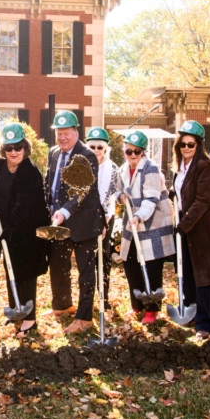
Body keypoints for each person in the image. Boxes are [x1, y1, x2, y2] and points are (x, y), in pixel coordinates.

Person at [43, 111, 106, 334]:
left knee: (86, 271)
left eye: (66, 134)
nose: (62, 138)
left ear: (76, 133)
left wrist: (63, 212)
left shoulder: (86, 156)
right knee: (58, 266)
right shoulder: (53, 153)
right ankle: (62, 305)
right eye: (59, 134)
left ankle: (84, 318)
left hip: (84, 223)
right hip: (58, 222)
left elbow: (81, 191)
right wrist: (48, 210)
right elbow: (49, 184)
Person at [170, 121, 210, 338]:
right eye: (183, 144)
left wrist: (182, 226)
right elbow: (181, 192)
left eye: (191, 145)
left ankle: (205, 323)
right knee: (187, 274)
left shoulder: (205, 166)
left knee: (203, 277)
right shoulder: (180, 167)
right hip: (186, 226)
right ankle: (190, 314)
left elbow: (203, 201)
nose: (186, 148)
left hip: (202, 229)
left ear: (199, 145)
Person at [0, 123, 50, 335]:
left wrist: (10, 228)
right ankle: (16, 310)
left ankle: (29, 318)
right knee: (11, 269)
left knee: (25, 272)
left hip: (27, 229)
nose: (14, 152)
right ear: (3, 149)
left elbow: (23, 203)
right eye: (9, 148)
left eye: (18, 147)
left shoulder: (30, 171)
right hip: (7, 226)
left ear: (25, 147)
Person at [116, 130, 176, 324]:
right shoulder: (123, 169)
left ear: (144, 152)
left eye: (137, 151)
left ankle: (152, 309)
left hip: (152, 224)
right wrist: (120, 197)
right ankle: (137, 305)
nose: (132, 155)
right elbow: (117, 191)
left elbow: (151, 198)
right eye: (129, 151)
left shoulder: (151, 168)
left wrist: (138, 216)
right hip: (132, 224)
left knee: (151, 265)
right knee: (131, 262)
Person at [86, 126, 119, 306]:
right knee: (88, 258)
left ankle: (103, 297)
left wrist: (104, 225)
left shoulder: (112, 168)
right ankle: (88, 298)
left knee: (104, 257)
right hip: (86, 219)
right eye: (93, 147)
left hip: (106, 217)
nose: (97, 151)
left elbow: (108, 198)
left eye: (100, 147)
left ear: (105, 148)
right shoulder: (82, 166)